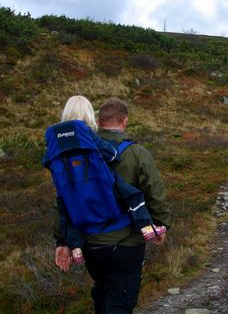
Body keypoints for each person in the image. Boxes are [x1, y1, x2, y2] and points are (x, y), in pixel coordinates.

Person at [54, 97, 172, 314]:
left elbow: (65, 200)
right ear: (125, 121)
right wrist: (160, 225)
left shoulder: (78, 153)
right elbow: (154, 193)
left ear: (99, 121)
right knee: (119, 303)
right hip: (126, 244)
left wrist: (62, 241)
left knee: (104, 294)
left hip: (90, 246)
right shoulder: (137, 153)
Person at [45, 96, 165, 266]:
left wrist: (62, 242)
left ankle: (76, 248)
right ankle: (146, 227)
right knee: (132, 196)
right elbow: (112, 155)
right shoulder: (89, 137)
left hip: (88, 235)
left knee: (67, 203)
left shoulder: (56, 144)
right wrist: (160, 222)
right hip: (123, 237)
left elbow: (58, 196)